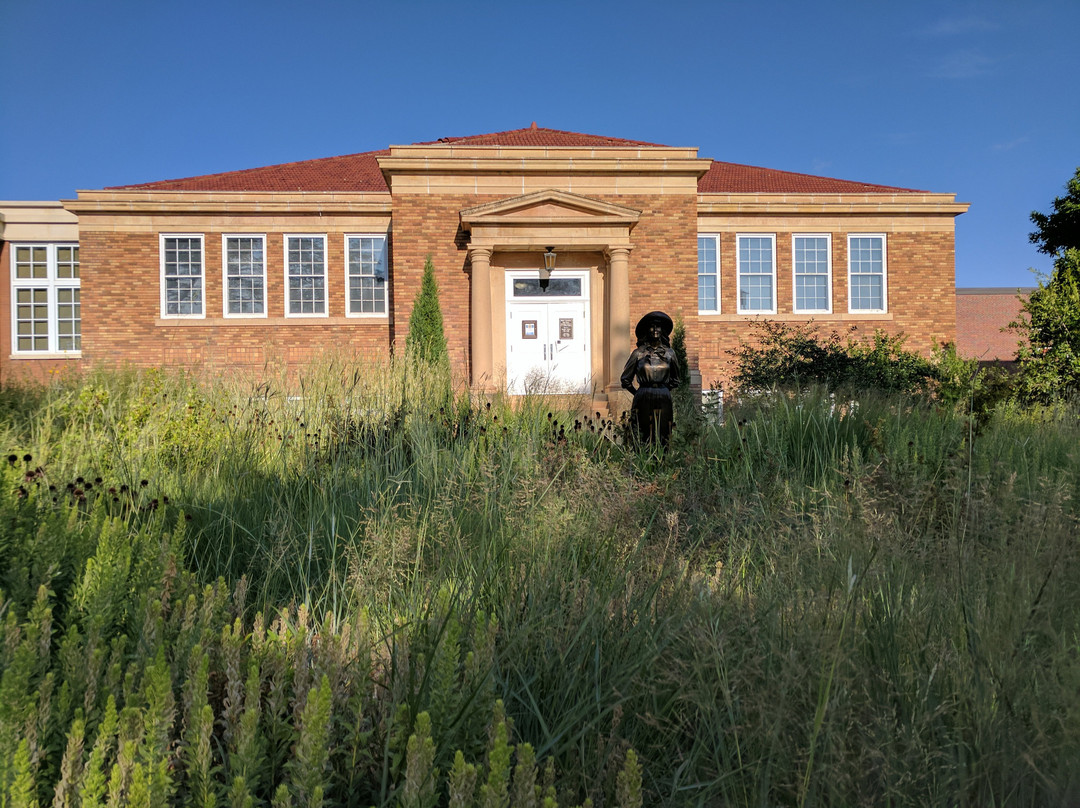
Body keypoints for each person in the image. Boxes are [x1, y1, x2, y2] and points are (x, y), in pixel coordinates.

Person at [620, 311, 680, 445]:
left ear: (662, 330)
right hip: (643, 396)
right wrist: (638, 393)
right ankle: (641, 455)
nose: (655, 330)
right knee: (642, 431)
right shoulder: (638, 353)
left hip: (663, 396)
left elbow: (675, 380)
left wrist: (663, 390)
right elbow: (625, 379)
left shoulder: (670, 354)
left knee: (663, 432)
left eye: (658, 326)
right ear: (647, 330)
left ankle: (662, 456)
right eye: (652, 327)